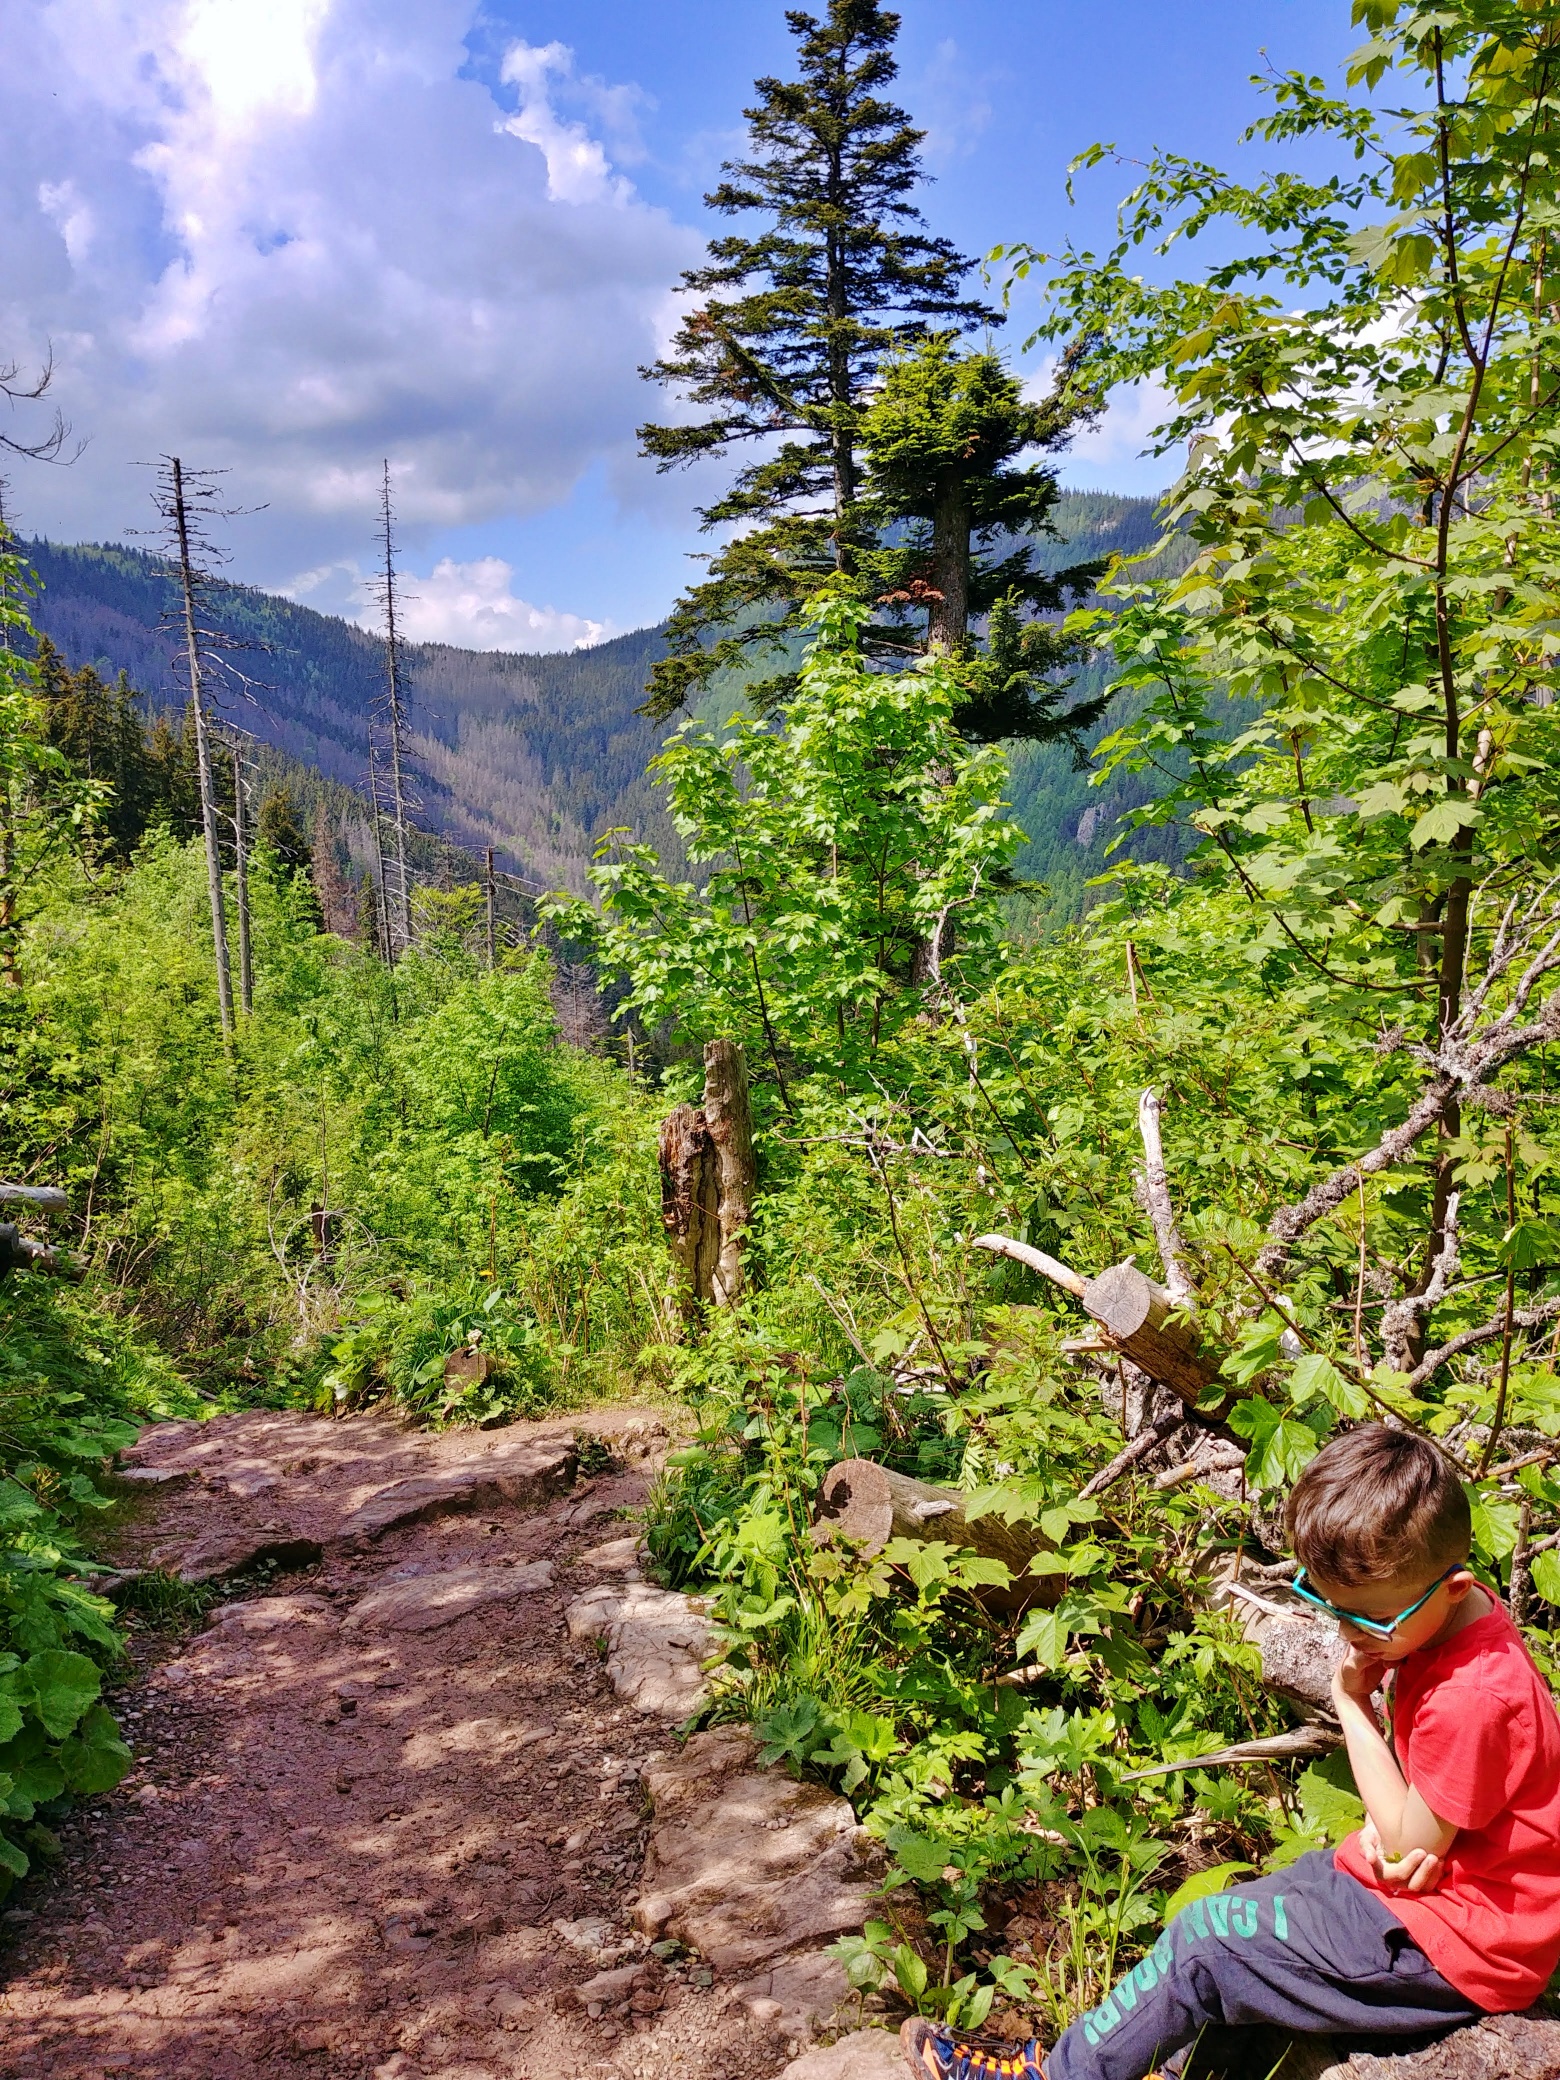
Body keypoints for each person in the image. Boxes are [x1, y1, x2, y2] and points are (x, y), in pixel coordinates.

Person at [901, 1424, 1560, 2080]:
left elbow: (1406, 1845)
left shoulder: (1472, 1692)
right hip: (1434, 1897)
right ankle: (1156, 2065)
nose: (1348, 1633)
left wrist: (1351, 1703)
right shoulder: (1444, 1620)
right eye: (1329, 1606)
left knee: (1206, 1943)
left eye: (1369, 1619)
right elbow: (1419, 1826)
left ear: (1453, 1586)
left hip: (1461, 1945)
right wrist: (1394, 1829)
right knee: (1241, 1920)